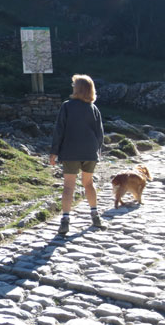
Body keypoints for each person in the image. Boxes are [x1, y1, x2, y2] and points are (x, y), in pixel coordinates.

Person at [49, 74, 105, 235]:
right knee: (88, 183)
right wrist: (97, 151)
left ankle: (65, 221)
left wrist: (54, 151)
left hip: (70, 151)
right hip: (90, 152)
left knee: (68, 186)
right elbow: (100, 134)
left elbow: (59, 130)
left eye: (74, 85)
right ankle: (95, 215)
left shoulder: (67, 106)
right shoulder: (94, 109)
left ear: (78, 88)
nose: (72, 87)